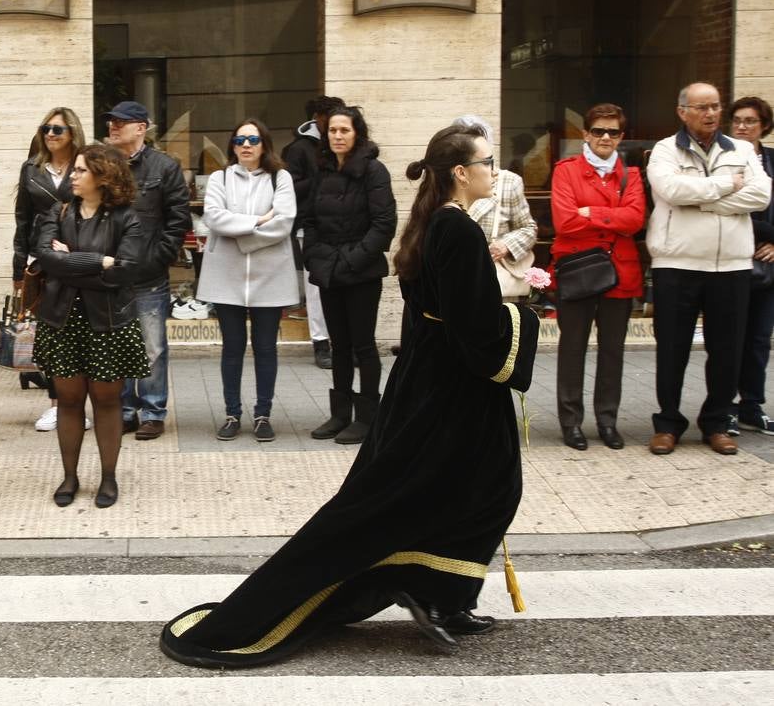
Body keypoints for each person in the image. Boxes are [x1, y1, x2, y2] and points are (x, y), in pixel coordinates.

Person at [160, 123, 536, 668]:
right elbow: (472, 323)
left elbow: (439, 313)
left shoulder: (438, 222)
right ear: (461, 172)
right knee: (480, 490)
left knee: (457, 490)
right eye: (487, 162)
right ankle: (432, 593)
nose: (493, 171)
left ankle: (442, 595)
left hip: (438, 382)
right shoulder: (455, 229)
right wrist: (521, 316)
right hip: (455, 390)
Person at [646, 82, 771, 456]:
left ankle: (717, 422)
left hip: (731, 264)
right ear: (682, 111)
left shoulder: (744, 150)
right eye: (702, 107)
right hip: (677, 261)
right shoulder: (666, 150)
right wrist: (725, 186)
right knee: (672, 348)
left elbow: (761, 194)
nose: (711, 114)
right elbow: (671, 191)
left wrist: (706, 201)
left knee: (727, 349)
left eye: (716, 106)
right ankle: (668, 423)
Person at [33, 143, 149, 509]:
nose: (73, 176)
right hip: (62, 320)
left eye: (81, 170)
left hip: (109, 321)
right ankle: (69, 476)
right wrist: (100, 261)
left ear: (104, 175)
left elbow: (126, 272)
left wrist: (73, 263)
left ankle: (109, 478)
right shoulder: (60, 209)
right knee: (68, 401)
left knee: (107, 401)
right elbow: (47, 259)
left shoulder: (127, 217)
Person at [549, 104, 646, 450]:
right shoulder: (566, 170)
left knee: (612, 352)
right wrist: (612, 216)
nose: (606, 137)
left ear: (621, 136)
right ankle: (570, 421)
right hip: (578, 270)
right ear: (586, 134)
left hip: (619, 272)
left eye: (613, 132)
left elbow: (635, 219)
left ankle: (607, 420)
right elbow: (565, 222)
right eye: (599, 131)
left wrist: (591, 212)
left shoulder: (631, 175)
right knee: (572, 348)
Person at [303, 101, 396, 445]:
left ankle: (368, 418)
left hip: (362, 272)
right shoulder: (322, 170)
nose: (338, 136)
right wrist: (314, 258)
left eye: (345, 130)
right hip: (328, 270)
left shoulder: (374, 171)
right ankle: (340, 414)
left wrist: (353, 259)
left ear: (357, 134)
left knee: (363, 346)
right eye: (333, 131)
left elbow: (384, 223)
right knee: (338, 345)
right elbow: (310, 221)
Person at [198, 120, 296, 442]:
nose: (246, 144)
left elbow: (283, 223)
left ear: (264, 144)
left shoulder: (281, 178)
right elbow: (213, 217)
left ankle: (263, 414)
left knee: (266, 348)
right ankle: (232, 414)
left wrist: (239, 235)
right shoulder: (219, 177)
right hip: (227, 276)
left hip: (270, 276)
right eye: (239, 139)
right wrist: (257, 220)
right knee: (232, 347)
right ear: (232, 145)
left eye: (253, 139)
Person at [103, 100, 190, 441]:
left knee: (152, 347)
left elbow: (178, 220)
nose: (112, 126)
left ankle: (153, 411)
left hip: (149, 275)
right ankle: (124, 410)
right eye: (110, 122)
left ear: (141, 128)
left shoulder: (164, 167)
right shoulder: (103, 165)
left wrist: (157, 258)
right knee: (117, 345)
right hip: (111, 274)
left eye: (120, 122)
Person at [13, 107, 85, 432]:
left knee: (82, 333)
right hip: (41, 259)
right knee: (52, 337)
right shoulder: (31, 169)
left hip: (77, 255)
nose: (51, 134)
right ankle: (57, 406)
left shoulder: (84, 166)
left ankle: (78, 407)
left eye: (58, 129)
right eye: (46, 129)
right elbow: (22, 218)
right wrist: (19, 266)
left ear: (72, 132)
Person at [729, 95, 774, 437]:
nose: (742, 127)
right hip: (730, 260)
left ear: (764, 126)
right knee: (728, 338)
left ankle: (752, 405)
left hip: (767, 263)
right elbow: (723, 205)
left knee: (759, 338)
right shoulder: (723, 161)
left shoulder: (771, 161)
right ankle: (724, 405)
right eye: (738, 120)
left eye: (750, 121)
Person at [455, 116, 537, 302]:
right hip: (455, 280)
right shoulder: (443, 183)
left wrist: (506, 245)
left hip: (494, 282)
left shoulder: (507, 181)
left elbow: (528, 229)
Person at [283, 96, 335, 369]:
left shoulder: (340, 145)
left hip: (339, 224)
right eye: (331, 118)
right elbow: (289, 187)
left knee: (339, 283)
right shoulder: (300, 149)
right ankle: (321, 342)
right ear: (317, 117)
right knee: (315, 287)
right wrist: (320, 179)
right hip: (309, 224)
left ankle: (342, 342)